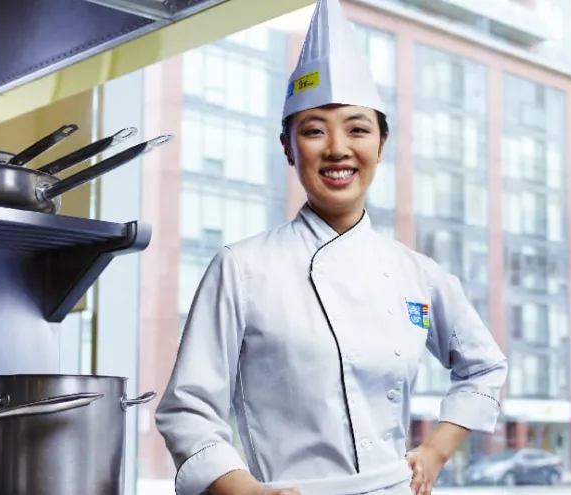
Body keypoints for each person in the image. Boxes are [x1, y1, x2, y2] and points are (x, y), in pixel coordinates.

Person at [153, 0, 508, 493]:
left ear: (381, 145)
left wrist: (435, 451)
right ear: (288, 147)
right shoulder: (242, 268)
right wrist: (245, 491)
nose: (338, 148)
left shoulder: (416, 274)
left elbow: (484, 367)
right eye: (314, 130)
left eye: (358, 129)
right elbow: (186, 408)